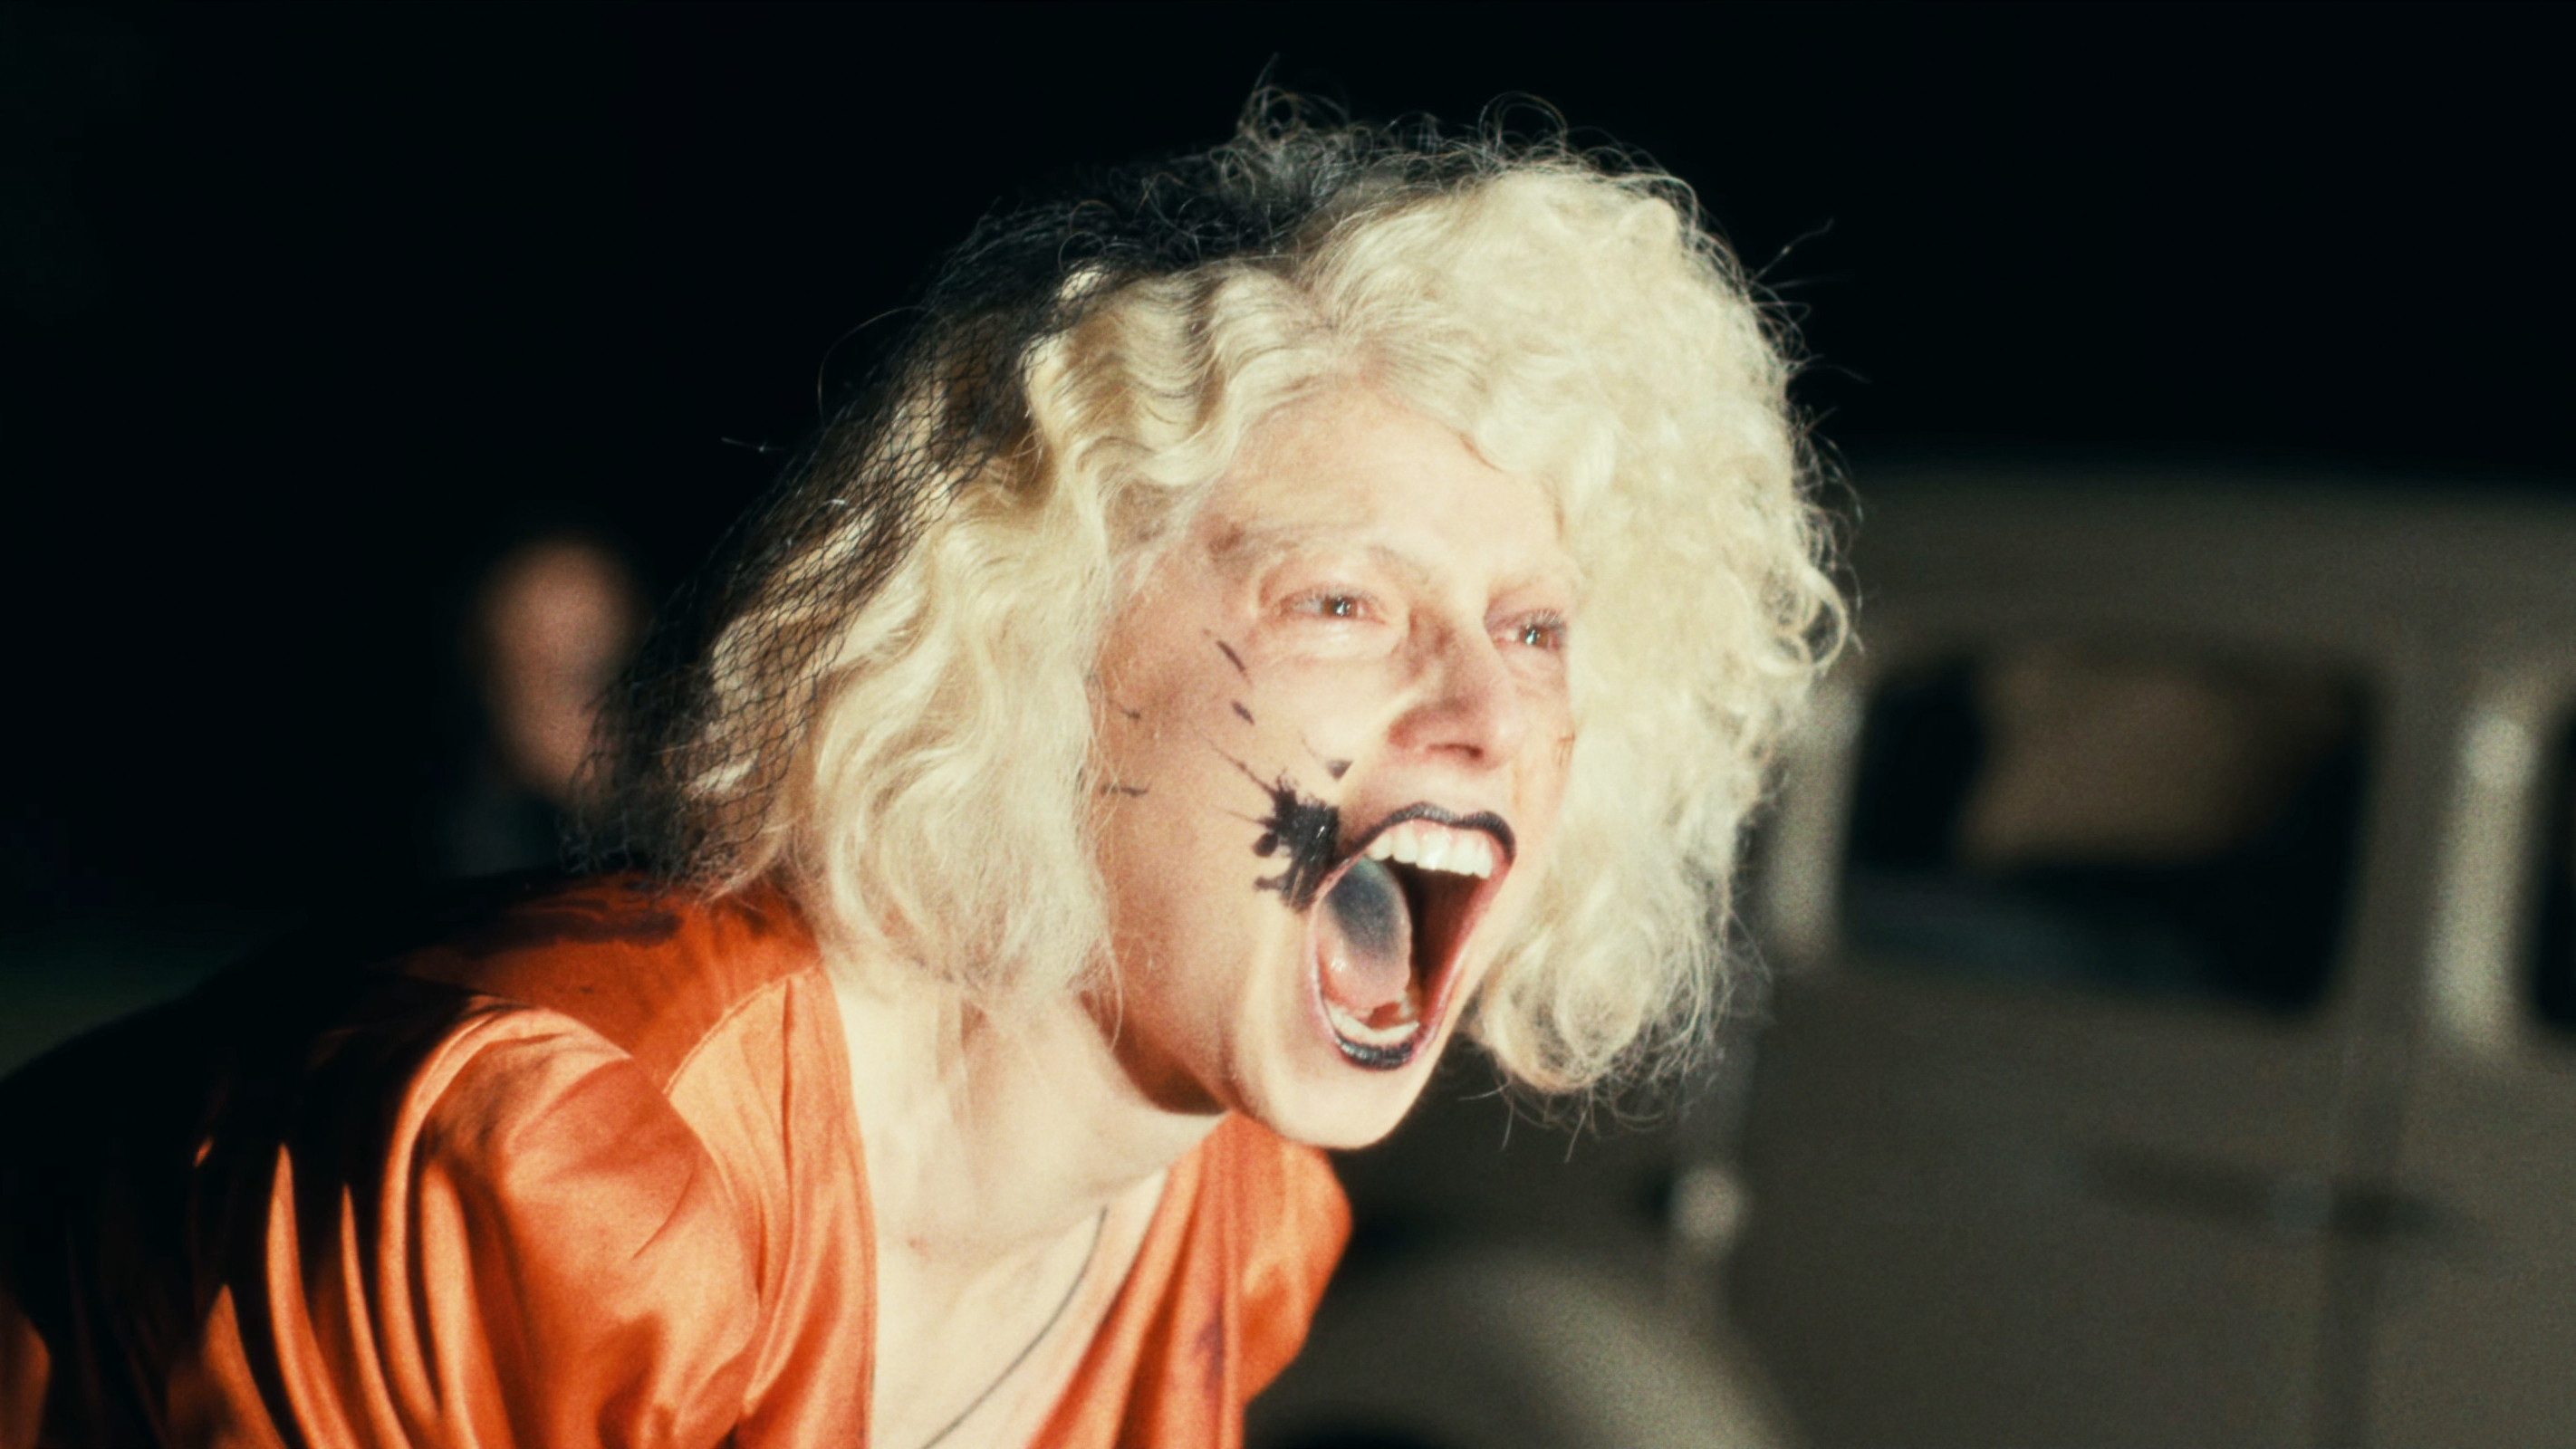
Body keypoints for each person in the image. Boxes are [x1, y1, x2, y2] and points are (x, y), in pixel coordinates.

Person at [0, 99, 1841, 1449]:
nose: (1488, 712)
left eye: (1538, 631)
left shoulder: (1244, 1232)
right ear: (1038, 649)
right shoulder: (572, 1166)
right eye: (1345, 601)